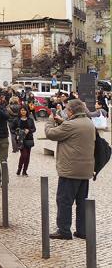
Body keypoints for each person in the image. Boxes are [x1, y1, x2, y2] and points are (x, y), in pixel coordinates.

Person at [45, 99, 96, 240]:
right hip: (85, 171)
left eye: (67, 109)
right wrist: (63, 121)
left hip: (70, 170)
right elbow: (74, 130)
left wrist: (50, 120)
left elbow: (51, 134)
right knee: (81, 202)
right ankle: (82, 231)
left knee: (64, 201)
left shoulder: (70, 125)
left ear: (71, 111)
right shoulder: (89, 123)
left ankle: (64, 230)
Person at [12, 107, 36, 176]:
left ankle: (24, 171)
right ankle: (19, 169)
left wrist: (29, 130)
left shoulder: (30, 119)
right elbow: (12, 129)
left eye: (24, 110)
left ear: (26, 111)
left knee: (27, 156)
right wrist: (17, 132)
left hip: (29, 139)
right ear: (20, 111)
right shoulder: (16, 120)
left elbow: (34, 129)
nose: (23, 111)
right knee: (23, 155)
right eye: (22, 110)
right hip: (20, 139)